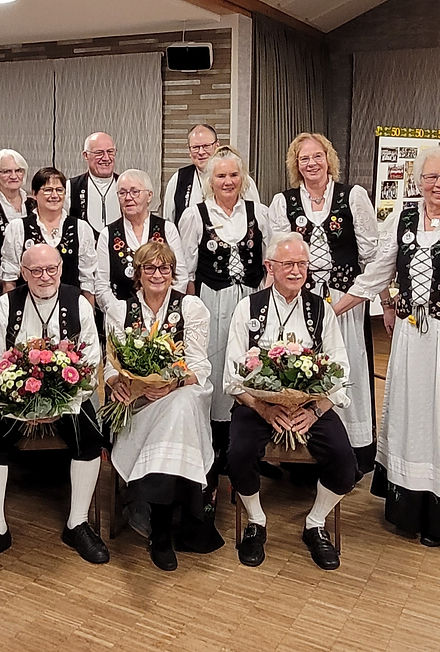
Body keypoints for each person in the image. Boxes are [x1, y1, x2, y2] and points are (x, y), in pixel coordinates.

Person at [334, 145, 440, 546]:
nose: (439, 185)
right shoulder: (404, 218)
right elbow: (377, 273)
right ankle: (407, 511)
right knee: (411, 417)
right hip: (413, 336)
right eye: (431, 177)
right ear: (418, 181)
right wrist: (332, 309)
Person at [0, 244, 108, 571]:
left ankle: (78, 524)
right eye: (36, 271)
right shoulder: (5, 305)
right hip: (15, 397)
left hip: (69, 397)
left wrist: (62, 399)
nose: (45, 277)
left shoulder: (78, 304)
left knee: (89, 433)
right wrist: (20, 399)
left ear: (61, 269)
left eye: (51, 269)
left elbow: (91, 359)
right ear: (24, 273)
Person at [225, 233, 356, 570]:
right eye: (288, 264)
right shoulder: (248, 308)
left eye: (302, 264)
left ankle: (315, 524)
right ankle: (256, 521)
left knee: (345, 462)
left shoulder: (320, 309)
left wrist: (314, 411)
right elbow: (232, 376)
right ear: (270, 267)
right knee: (237, 455)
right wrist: (265, 408)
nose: (296, 271)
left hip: (309, 407)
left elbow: (339, 367)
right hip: (258, 406)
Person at [267, 133, 379, 472]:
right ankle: (302, 449)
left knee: (347, 370)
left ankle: (349, 451)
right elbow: (276, 259)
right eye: (304, 158)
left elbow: (372, 255)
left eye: (317, 156)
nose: (311, 163)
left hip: (345, 299)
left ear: (329, 159)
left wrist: (348, 301)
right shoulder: (283, 202)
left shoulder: (352, 196)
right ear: (295, 165)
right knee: (301, 370)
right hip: (301, 303)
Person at [104, 241, 218, 571]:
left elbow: (200, 365)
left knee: (180, 406)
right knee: (176, 412)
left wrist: (173, 384)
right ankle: (167, 525)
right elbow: (112, 367)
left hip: (180, 393)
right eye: (149, 268)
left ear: (173, 273)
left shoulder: (191, 308)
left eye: (164, 268)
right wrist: (120, 385)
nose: (158, 274)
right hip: (138, 403)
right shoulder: (120, 310)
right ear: (137, 274)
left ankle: (162, 527)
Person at [178, 145, 270, 515]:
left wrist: (264, 297)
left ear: (243, 178)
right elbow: (185, 269)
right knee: (214, 371)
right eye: (221, 175)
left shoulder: (258, 212)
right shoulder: (195, 215)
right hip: (211, 302)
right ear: (209, 180)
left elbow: (271, 259)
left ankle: (245, 451)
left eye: (234, 175)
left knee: (249, 369)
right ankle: (212, 457)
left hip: (249, 301)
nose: (228, 181)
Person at [95, 169, 186, 316]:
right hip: (121, 316)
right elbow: (101, 285)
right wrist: (119, 313)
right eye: (122, 193)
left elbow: (180, 276)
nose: (128, 197)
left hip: (163, 315)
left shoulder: (167, 229)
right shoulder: (108, 234)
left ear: (149, 195)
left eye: (134, 191)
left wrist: (164, 309)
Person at [1, 167, 96, 303]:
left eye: (59, 190)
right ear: (34, 194)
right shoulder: (18, 228)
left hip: (70, 307)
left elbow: (87, 281)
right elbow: (9, 280)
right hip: (28, 307)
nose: (54, 195)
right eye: (47, 190)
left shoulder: (81, 228)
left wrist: (89, 315)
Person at [163, 124, 261, 225]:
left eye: (206, 146)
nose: (201, 152)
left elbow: (256, 217)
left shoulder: (238, 178)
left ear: (217, 145)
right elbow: (168, 223)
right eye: (195, 147)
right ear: (189, 150)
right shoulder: (179, 179)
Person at [0, 149, 36, 319]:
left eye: (18, 170)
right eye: (6, 171)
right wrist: (7, 279)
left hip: (35, 284)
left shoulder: (35, 204)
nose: (13, 175)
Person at [65, 132, 120, 236]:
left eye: (110, 152)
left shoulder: (125, 186)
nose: (106, 158)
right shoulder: (71, 187)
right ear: (86, 155)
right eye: (99, 153)